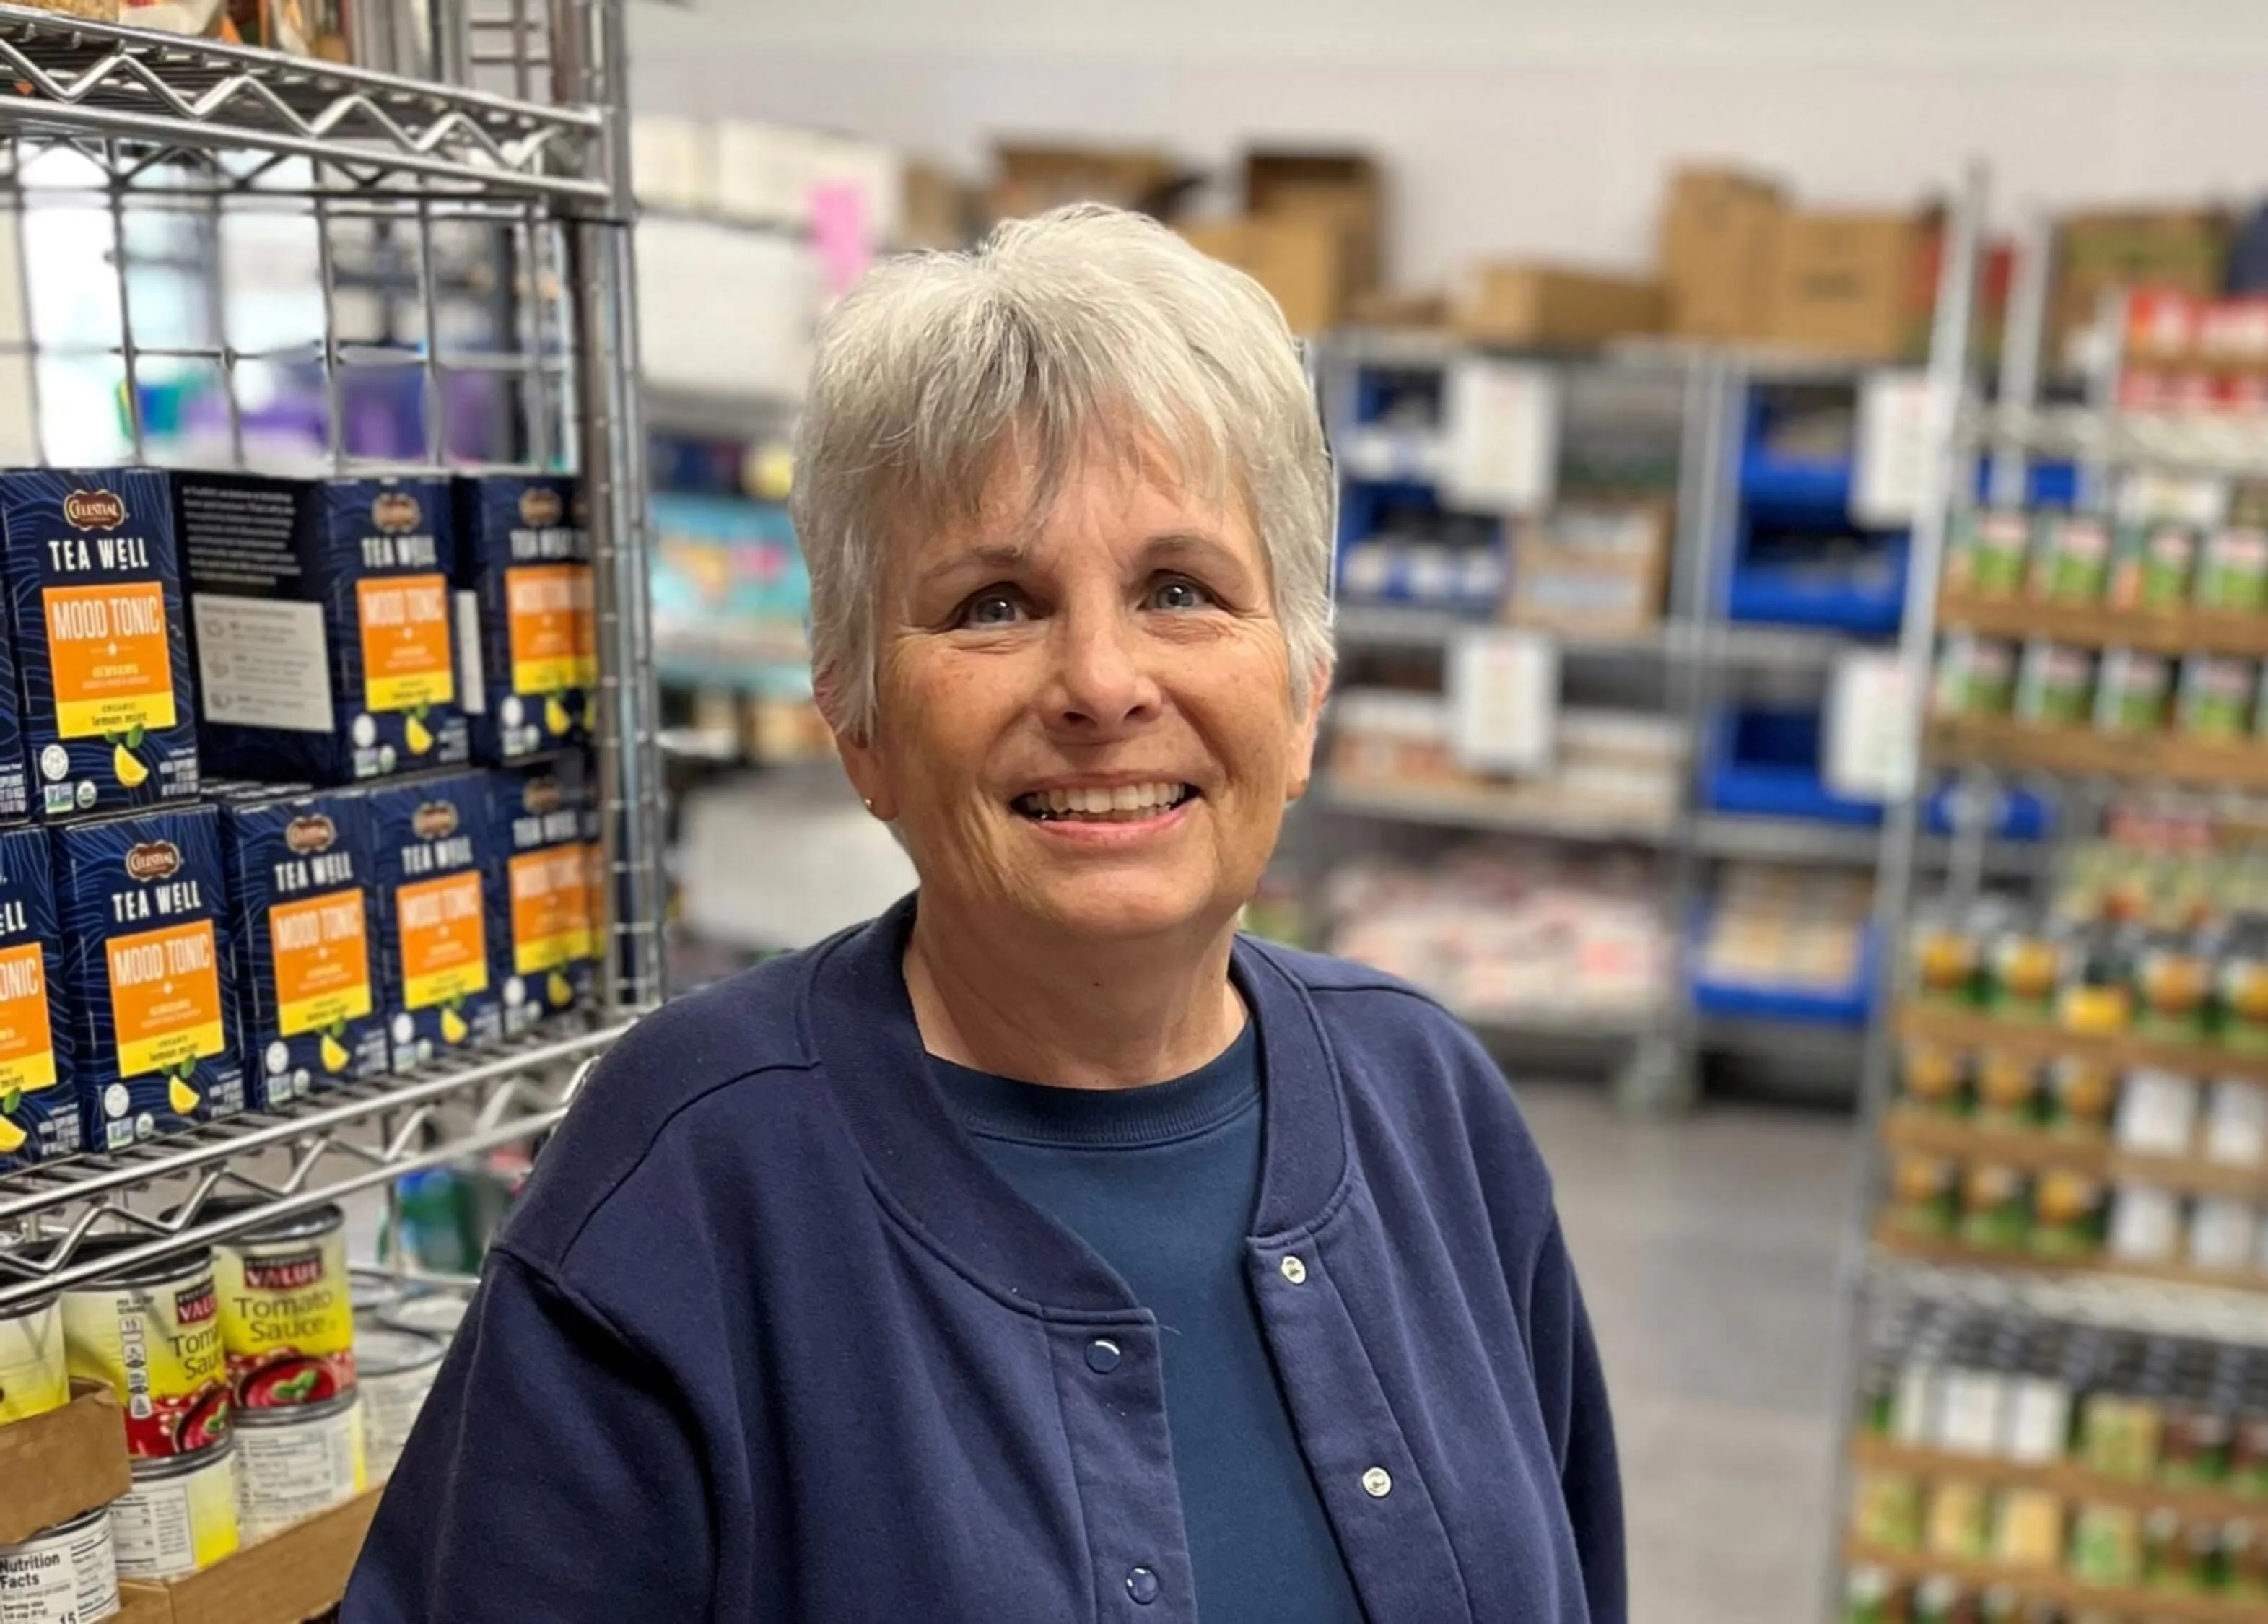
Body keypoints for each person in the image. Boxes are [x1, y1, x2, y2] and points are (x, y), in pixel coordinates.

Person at [343, 204, 1624, 1623]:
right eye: (994, 605)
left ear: (1303, 692)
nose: (1101, 684)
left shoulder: (1430, 1101)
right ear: (857, 720)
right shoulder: (693, 1179)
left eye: (1181, 589)